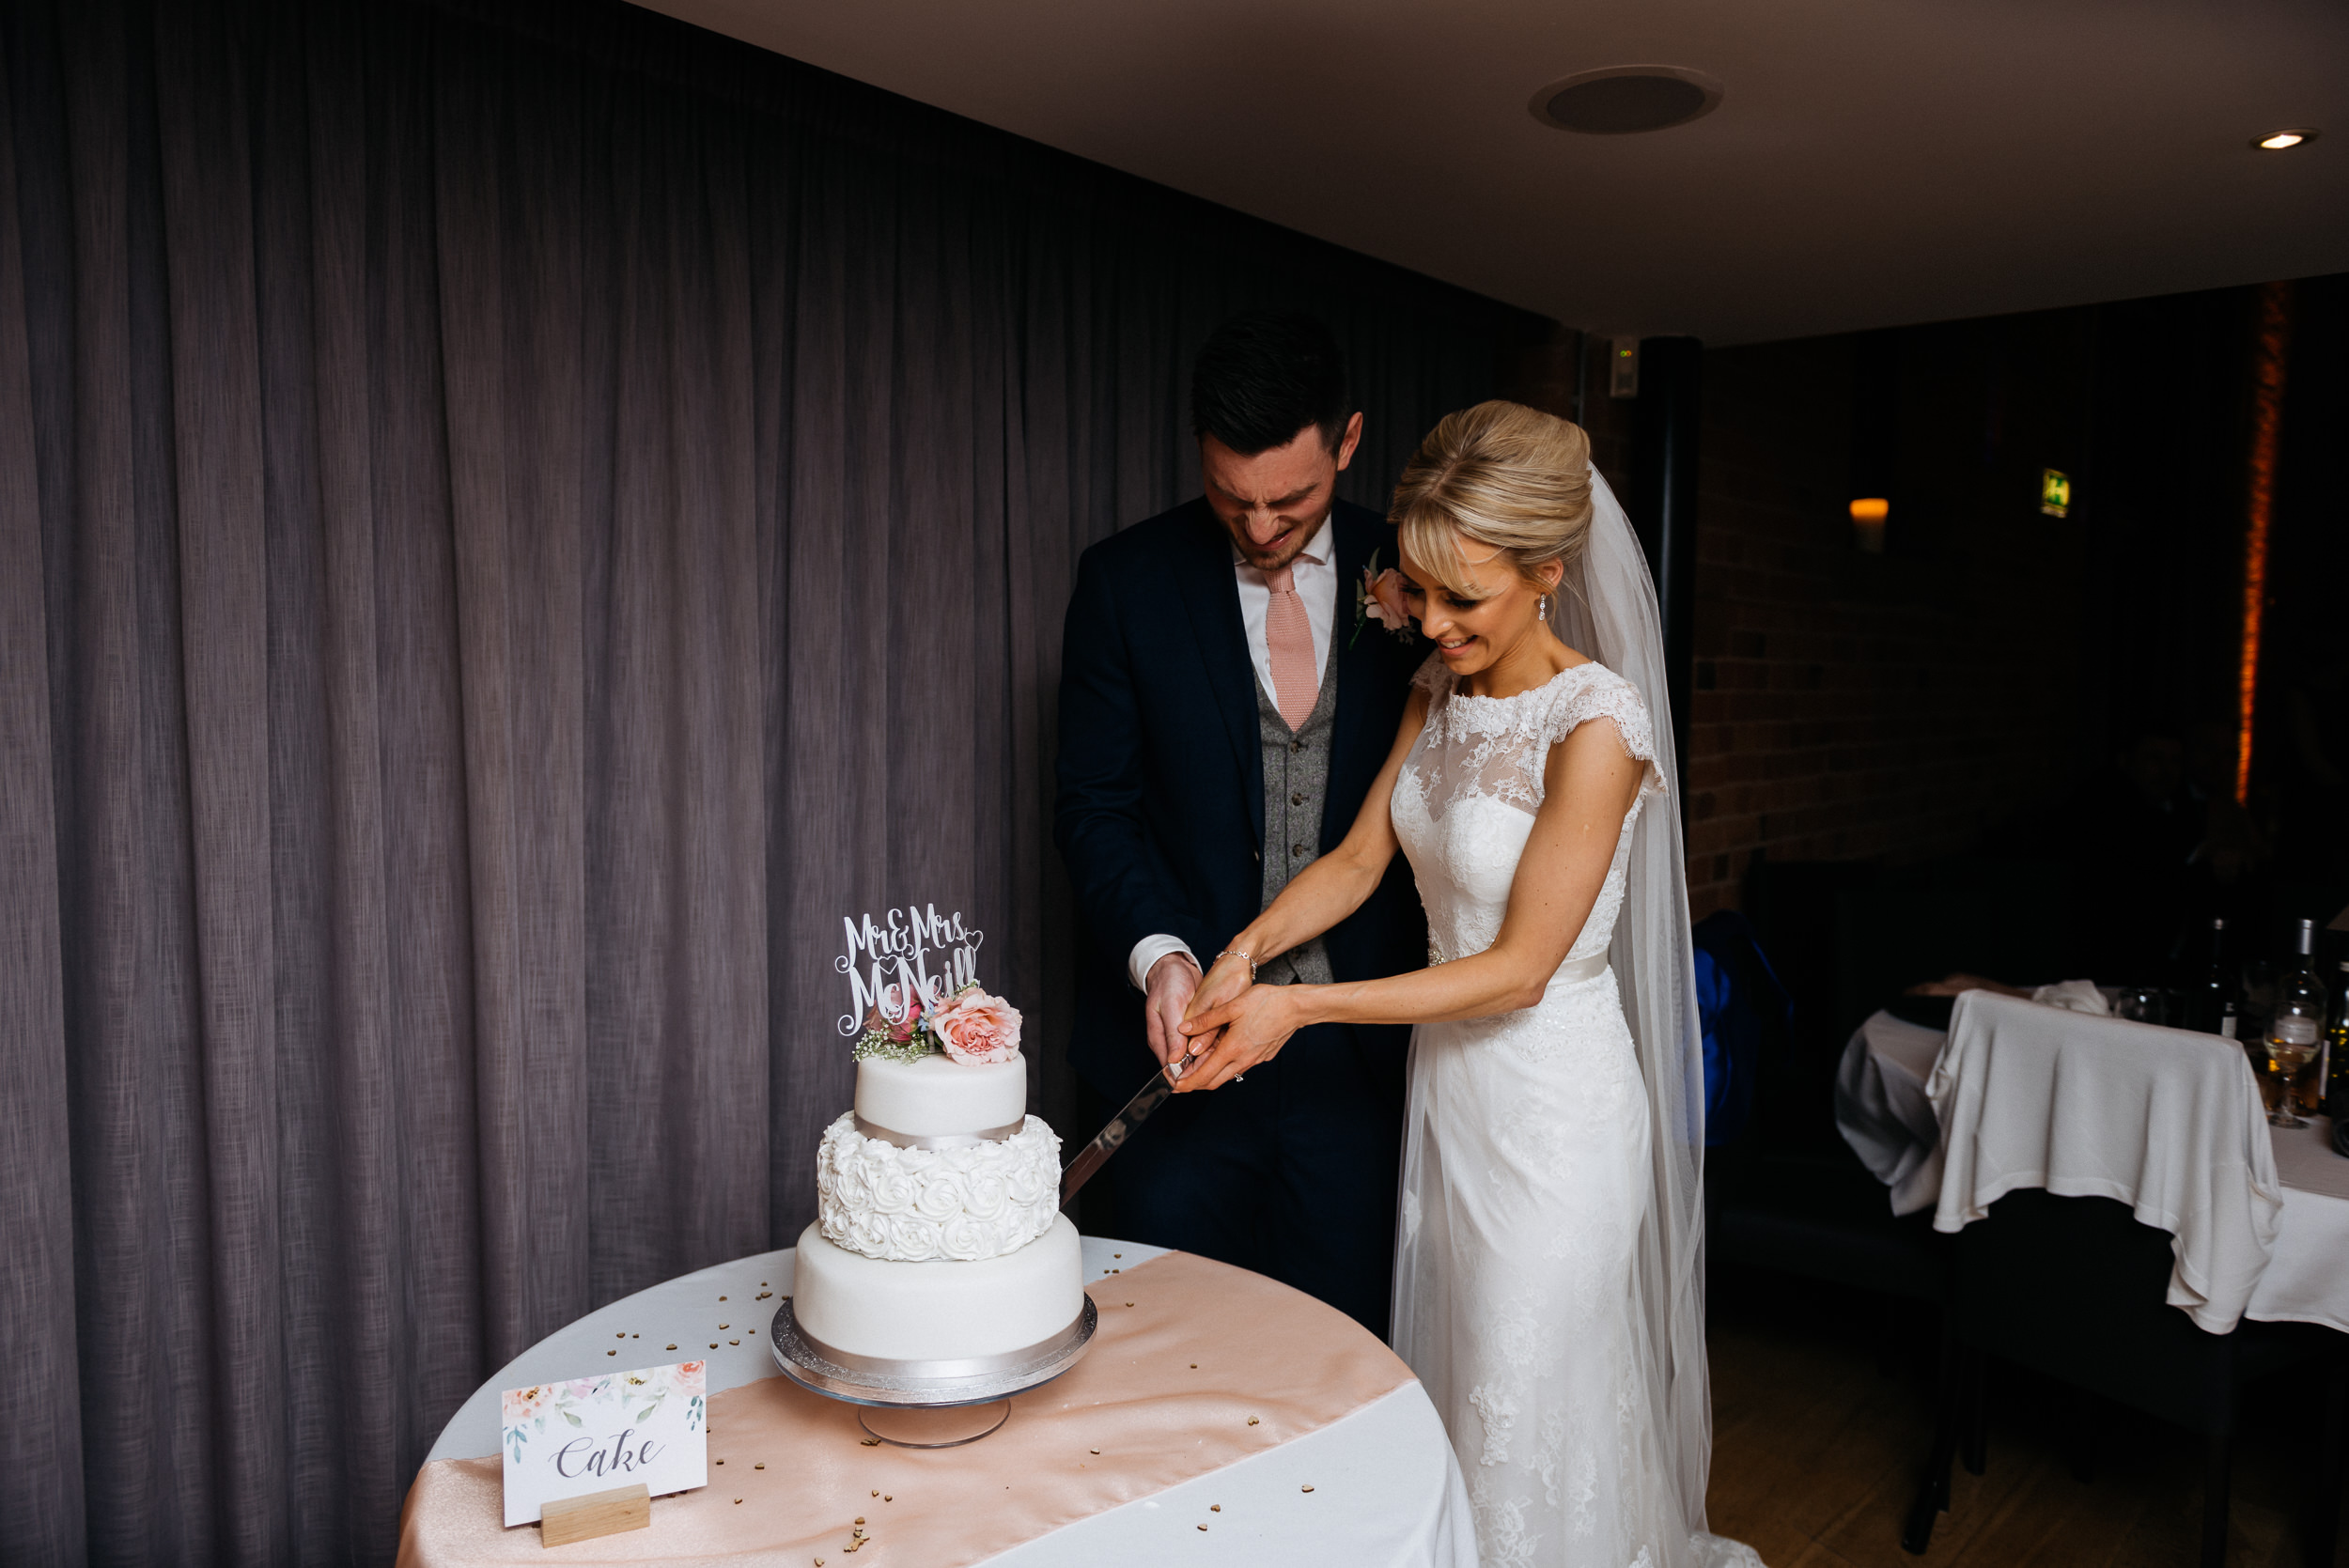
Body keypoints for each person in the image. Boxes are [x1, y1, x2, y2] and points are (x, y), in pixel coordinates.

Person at [1177, 402, 1760, 1567]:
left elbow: (1517, 970)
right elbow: (1354, 860)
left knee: (1527, 1395)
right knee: (1459, 1376)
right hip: (1454, 1100)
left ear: (1548, 571)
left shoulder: (1596, 725)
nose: (1431, 623)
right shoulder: (1442, 692)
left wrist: (1300, 1004)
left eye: (1464, 599)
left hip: (1555, 1115)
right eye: (1421, 590)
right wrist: (1241, 955)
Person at [1051, 310, 1428, 1334]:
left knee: (1346, 1358)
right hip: (1178, 1067)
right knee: (1165, 1358)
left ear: (1347, 443)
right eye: (1232, 497)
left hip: (1362, 1068)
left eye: (1292, 501)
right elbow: (1094, 807)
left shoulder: (1427, 579)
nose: (1261, 528)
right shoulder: (1125, 581)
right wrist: (1163, 957)